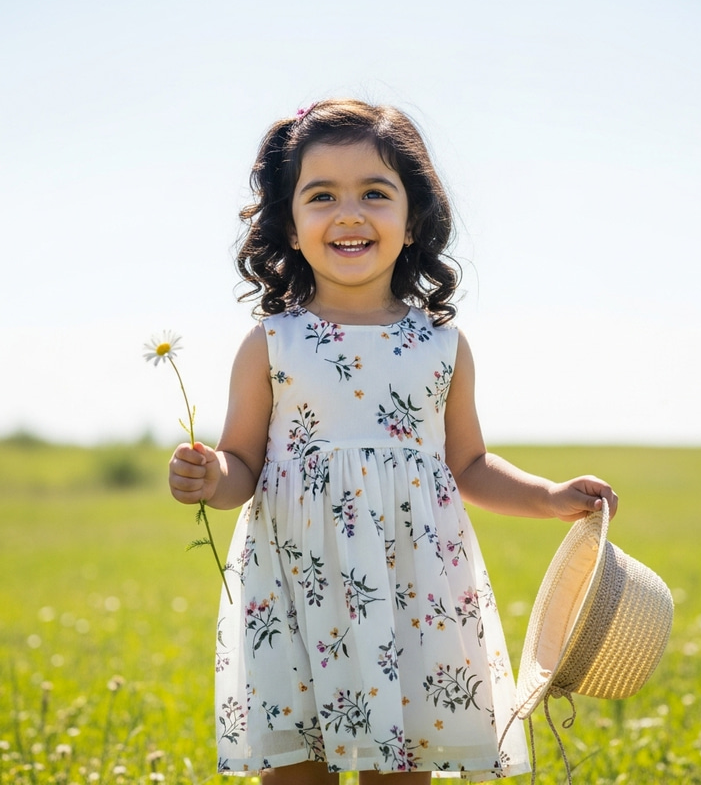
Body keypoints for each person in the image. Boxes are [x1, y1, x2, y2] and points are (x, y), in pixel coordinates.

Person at [168, 99, 618, 784]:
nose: (349, 213)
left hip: (413, 591)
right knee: (296, 766)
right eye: (321, 196)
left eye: (375, 193)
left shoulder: (441, 346)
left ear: (413, 222)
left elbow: (467, 463)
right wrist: (211, 477)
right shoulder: (272, 343)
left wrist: (550, 496)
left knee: (404, 762)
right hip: (298, 589)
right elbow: (243, 466)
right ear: (290, 225)